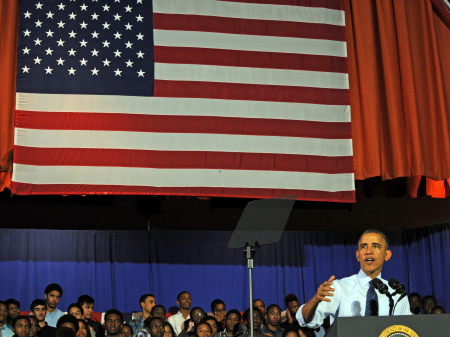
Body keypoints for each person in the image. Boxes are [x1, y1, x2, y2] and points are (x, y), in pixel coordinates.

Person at [297, 229, 411, 330]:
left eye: (375, 246)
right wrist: (315, 300)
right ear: (358, 255)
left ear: (387, 255)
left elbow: (408, 329)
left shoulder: (396, 294)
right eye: (363, 246)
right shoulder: (339, 288)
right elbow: (306, 320)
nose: (368, 251)